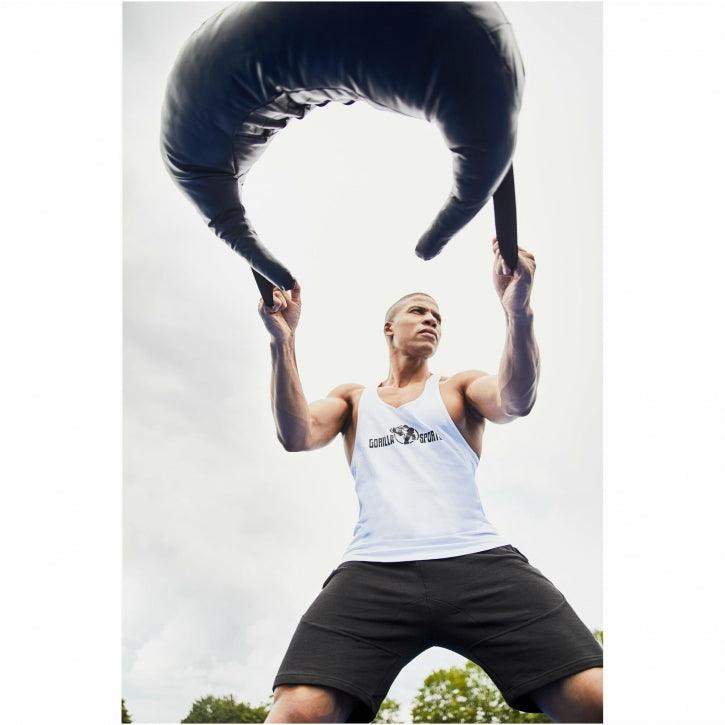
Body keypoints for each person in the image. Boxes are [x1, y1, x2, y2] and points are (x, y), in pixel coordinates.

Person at [257, 239, 603, 723]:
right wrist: (283, 341)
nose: (431, 320)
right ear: (389, 328)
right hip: (374, 570)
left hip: (477, 561)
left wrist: (518, 310)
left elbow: (516, 399)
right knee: (297, 710)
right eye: (419, 311)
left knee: (596, 697)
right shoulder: (354, 400)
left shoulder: (458, 388)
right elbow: (296, 435)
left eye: (437, 316)